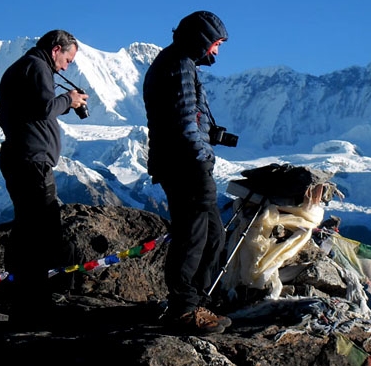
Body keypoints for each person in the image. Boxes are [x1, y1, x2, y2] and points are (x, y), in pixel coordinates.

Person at [143, 11, 233, 334]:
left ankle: (195, 303)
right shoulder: (179, 65)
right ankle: (183, 310)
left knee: (211, 235)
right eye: (215, 44)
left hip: (183, 163)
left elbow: (187, 118)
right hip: (186, 166)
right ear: (202, 39)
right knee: (193, 236)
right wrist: (201, 159)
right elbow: (183, 124)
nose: (216, 52)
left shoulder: (178, 63)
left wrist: (210, 135)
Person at [0, 29, 89, 327]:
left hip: (22, 158)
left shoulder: (24, 67)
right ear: (55, 50)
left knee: (30, 231)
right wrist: (70, 99)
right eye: (67, 59)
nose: (66, 66)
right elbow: (44, 107)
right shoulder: (36, 67)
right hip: (32, 162)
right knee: (41, 231)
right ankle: (34, 307)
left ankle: (26, 304)